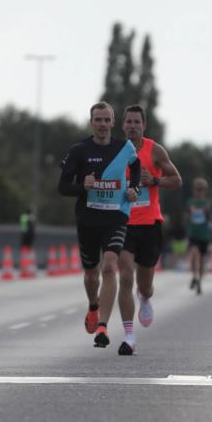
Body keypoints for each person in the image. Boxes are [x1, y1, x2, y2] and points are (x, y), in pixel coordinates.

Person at [58, 101, 140, 349]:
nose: (103, 125)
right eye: (98, 120)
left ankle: (103, 327)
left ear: (113, 123)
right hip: (88, 219)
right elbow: (62, 187)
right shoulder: (79, 150)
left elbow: (135, 165)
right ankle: (93, 305)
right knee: (91, 274)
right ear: (91, 122)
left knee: (109, 266)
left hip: (116, 217)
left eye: (107, 120)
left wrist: (134, 187)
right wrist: (82, 186)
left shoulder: (124, 147)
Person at [118, 104, 182, 354]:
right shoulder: (115, 151)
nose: (132, 126)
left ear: (143, 126)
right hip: (122, 223)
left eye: (137, 122)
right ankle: (129, 336)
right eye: (128, 122)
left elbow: (177, 180)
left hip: (149, 224)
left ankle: (145, 297)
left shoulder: (155, 151)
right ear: (123, 126)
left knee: (144, 285)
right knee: (124, 277)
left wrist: (154, 180)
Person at [185, 178, 212, 294]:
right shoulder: (190, 202)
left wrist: (207, 214)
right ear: (194, 190)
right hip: (193, 234)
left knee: (201, 261)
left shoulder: (208, 203)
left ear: (204, 191)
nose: (199, 191)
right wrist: (190, 213)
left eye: (201, 189)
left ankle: (199, 281)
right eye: (197, 189)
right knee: (194, 253)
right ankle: (195, 276)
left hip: (204, 235)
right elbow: (185, 218)